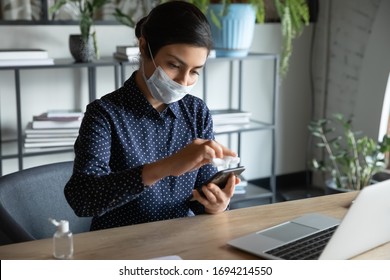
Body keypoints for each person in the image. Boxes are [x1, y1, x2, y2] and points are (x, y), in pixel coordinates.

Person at [64, 0, 240, 231]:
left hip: (181, 241)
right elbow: (83, 199)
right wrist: (166, 167)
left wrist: (216, 204)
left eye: (195, 72)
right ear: (144, 47)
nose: (184, 81)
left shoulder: (197, 112)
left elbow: (201, 199)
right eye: (174, 65)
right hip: (119, 247)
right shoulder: (104, 114)